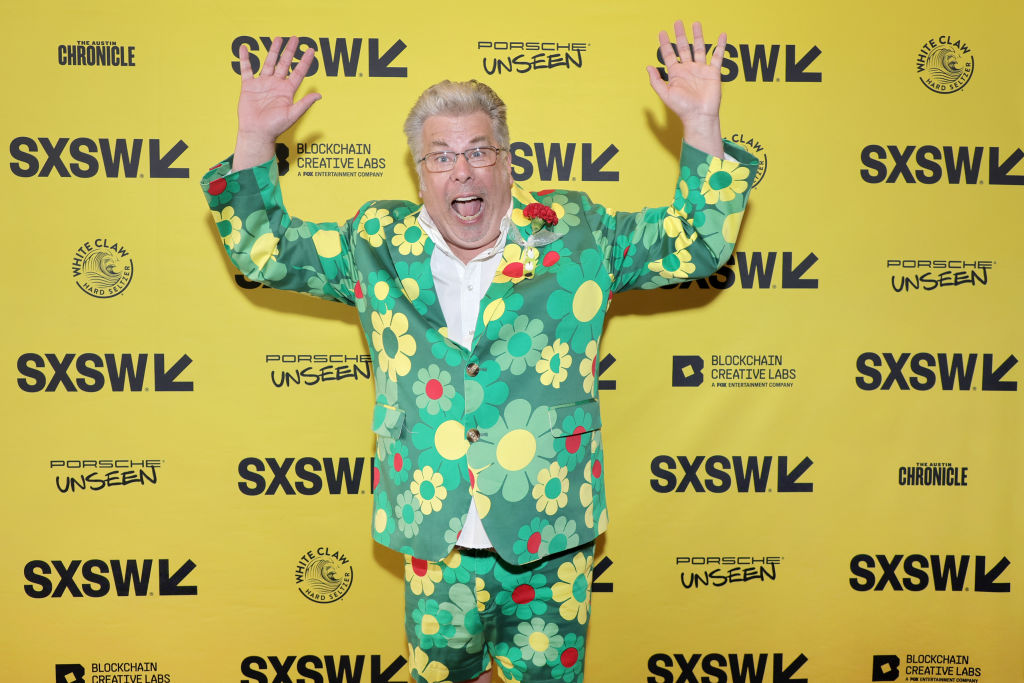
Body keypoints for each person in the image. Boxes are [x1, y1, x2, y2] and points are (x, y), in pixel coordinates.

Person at [201, 20, 757, 683]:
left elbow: (698, 241)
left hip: (551, 532)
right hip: (434, 533)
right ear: (420, 172)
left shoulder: (576, 233)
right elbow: (265, 251)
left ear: (507, 160)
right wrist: (254, 139)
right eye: (440, 156)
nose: (460, 170)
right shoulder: (377, 240)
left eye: (478, 151)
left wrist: (700, 123)